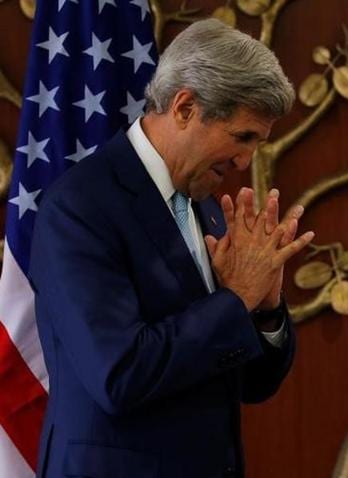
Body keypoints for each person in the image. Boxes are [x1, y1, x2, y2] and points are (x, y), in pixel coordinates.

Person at [29, 19, 314, 478]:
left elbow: (248, 383)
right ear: (184, 108)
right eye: (242, 138)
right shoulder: (80, 208)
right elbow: (119, 375)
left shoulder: (206, 205)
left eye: (257, 143)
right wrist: (234, 299)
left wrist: (264, 309)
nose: (245, 162)